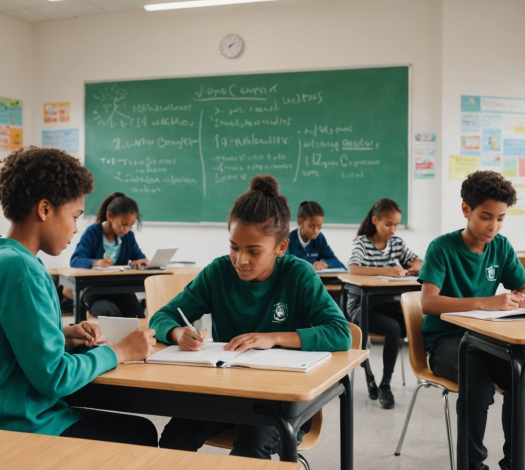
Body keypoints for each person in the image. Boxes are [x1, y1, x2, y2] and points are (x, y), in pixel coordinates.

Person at [0, 147, 157, 445]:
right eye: (74, 216)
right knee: (141, 432)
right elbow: (55, 378)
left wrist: (62, 334)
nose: (75, 228)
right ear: (45, 209)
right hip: (18, 428)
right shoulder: (22, 270)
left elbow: (4, 336)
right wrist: (120, 351)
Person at [150, 175, 351, 459]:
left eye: (254, 251)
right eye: (234, 247)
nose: (240, 260)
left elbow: (340, 333)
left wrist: (273, 338)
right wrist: (176, 333)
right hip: (227, 391)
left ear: (281, 248)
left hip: (282, 398)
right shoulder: (218, 272)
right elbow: (162, 316)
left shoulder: (298, 274)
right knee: (175, 439)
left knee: (250, 448)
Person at [420, 170, 525, 470]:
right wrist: (485, 302)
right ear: (465, 209)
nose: (493, 226)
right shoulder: (442, 248)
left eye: (500, 218)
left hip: (488, 340)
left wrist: (522, 300)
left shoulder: (501, 246)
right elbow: (428, 302)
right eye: (486, 216)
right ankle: (472, 465)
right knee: (479, 386)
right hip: (446, 342)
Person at [346, 198, 421, 408]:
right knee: (394, 326)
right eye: (388, 224)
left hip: (385, 303)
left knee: (412, 322)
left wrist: (417, 267)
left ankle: (385, 382)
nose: (393, 229)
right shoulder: (362, 242)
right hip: (362, 305)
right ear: (375, 220)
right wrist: (386, 270)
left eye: (396, 224)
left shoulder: (396, 243)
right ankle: (374, 380)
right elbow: (353, 269)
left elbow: (418, 262)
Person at [70, 192, 148, 318]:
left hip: (121, 291)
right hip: (95, 293)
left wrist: (139, 262)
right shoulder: (93, 232)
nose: (126, 229)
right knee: (111, 313)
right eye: (123, 224)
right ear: (110, 216)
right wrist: (96, 262)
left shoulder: (128, 236)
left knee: (137, 315)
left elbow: (139, 257)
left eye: (130, 226)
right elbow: (75, 260)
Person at [286, 200, 346, 271]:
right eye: (311, 226)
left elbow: (338, 263)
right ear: (300, 222)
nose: (316, 231)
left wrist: (325, 263)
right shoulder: (288, 240)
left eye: (319, 227)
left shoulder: (319, 239)